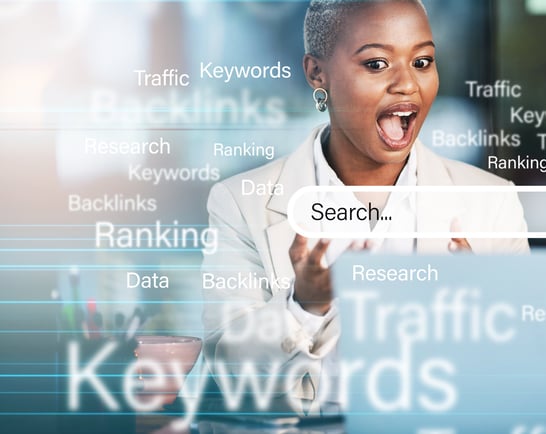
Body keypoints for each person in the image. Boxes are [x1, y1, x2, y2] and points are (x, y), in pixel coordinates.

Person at [201, 0, 528, 406]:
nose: (407, 84)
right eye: (376, 64)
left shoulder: (492, 203)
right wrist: (304, 307)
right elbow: (229, 372)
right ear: (316, 73)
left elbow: (524, 381)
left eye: (423, 62)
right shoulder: (240, 203)